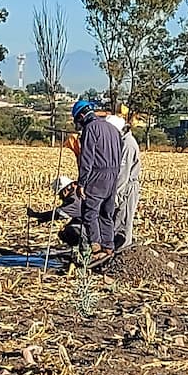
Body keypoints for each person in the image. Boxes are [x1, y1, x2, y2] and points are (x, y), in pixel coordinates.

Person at [71, 100, 122, 263]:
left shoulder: (90, 128)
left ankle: (97, 248)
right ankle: (109, 246)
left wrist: (81, 183)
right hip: (113, 176)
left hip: (97, 176)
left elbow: (87, 158)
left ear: (81, 116)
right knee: (106, 213)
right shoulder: (113, 129)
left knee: (90, 213)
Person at [105, 115, 141, 251]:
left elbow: (122, 175)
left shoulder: (128, 145)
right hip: (122, 185)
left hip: (127, 187)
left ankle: (122, 253)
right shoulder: (121, 142)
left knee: (122, 221)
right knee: (116, 222)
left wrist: (115, 199)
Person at [27, 176, 85, 247]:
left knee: (68, 232)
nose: (60, 197)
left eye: (60, 193)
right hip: (92, 223)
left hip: (93, 227)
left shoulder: (74, 199)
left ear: (66, 189)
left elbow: (57, 214)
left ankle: (83, 250)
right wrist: (43, 219)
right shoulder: (80, 192)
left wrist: (35, 215)